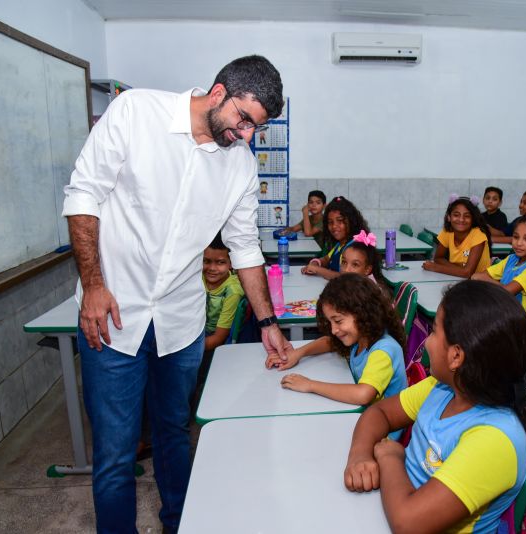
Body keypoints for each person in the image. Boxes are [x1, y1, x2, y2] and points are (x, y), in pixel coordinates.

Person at [62, 55, 292, 533]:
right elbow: (83, 195)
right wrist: (94, 287)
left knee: (173, 434)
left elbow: (245, 248)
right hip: (112, 315)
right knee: (115, 451)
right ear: (218, 92)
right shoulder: (134, 114)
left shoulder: (240, 167)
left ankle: (178, 524)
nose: (247, 135)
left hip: (181, 324)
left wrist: (268, 323)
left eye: (257, 128)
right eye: (244, 119)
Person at [342, 281, 526, 533]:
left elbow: (408, 524)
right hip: (390, 502)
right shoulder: (441, 388)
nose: (426, 342)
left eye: (433, 332)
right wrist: (360, 455)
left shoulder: (494, 439)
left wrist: (390, 457)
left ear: (456, 356)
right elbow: (380, 412)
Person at [267, 274, 407, 438]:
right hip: (366, 418)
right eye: (330, 322)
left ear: (363, 313)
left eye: (338, 321)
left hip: (383, 435)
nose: (334, 330)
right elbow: (329, 342)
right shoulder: (362, 336)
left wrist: (310, 385)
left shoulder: (384, 350)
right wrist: (298, 353)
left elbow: (363, 394)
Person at [472, 214, 526, 328]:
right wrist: (483, 278)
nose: (519, 243)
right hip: (502, 316)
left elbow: (507, 292)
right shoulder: (511, 259)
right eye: (516, 237)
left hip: (520, 326)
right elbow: (479, 276)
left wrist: (485, 279)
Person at [199, 235, 244, 380]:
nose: (212, 268)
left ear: (231, 263)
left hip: (211, 340)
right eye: (206, 261)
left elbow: (219, 338)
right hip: (193, 331)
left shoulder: (232, 291)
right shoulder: (197, 278)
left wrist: (187, 349)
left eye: (220, 262)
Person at [301, 196, 369, 279]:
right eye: (330, 222)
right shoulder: (340, 244)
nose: (334, 226)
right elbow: (326, 259)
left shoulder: (353, 247)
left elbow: (347, 277)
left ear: (351, 221)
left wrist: (318, 270)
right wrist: (315, 263)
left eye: (340, 221)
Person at [422, 197, 491, 278]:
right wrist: (459, 270)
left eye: (467, 216)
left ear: (473, 219)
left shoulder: (478, 235)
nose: (461, 219)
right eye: (456, 215)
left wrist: (435, 267)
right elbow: (438, 258)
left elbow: (468, 273)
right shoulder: (447, 231)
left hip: (480, 283)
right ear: (449, 217)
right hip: (457, 278)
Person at [340, 230, 390, 295]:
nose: (346, 269)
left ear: (367, 270)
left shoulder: (368, 293)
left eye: (355, 264)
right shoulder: (352, 283)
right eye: (344, 262)